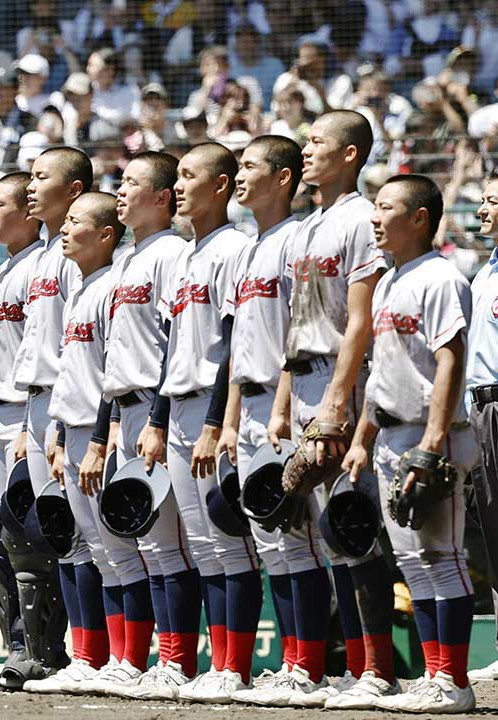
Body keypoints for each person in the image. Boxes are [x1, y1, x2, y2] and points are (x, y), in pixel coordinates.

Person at [263, 111, 398, 708]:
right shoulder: (306, 225)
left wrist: (338, 405)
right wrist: (287, 405)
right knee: (327, 534)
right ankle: (342, 667)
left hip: (348, 382)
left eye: (317, 141)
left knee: (355, 528)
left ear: (349, 154)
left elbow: (361, 321)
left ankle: (378, 672)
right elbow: (298, 326)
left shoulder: (360, 220)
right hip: (308, 379)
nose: (307, 148)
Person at [342, 174, 476, 714]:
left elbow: (452, 359)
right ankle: (435, 676)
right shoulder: (390, 282)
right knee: (415, 565)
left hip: (429, 435)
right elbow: (382, 376)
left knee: (444, 558)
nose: (375, 218)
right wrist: (361, 438)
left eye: (386, 208)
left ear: (419, 217)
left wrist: (434, 440)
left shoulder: (441, 276)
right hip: (391, 435)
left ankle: (454, 682)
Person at [220, 135, 331, 698]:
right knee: (272, 544)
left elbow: (299, 332)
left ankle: (309, 668)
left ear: (283, 178)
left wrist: (282, 408)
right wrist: (232, 421)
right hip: (254, 403)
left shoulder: (296, 240)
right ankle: (293, 664)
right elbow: (241, 345)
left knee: (301, 540)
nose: (239, 175)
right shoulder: (246, 246)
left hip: (286, 404)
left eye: (249, 166)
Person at [33, 191, 153, 695]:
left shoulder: (112, 287)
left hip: (105, 431)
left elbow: (111, 375)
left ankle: (131, 660)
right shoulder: (80, 288)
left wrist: (102, 438)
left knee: (124, 550)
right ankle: (93, 657)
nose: (64, 227)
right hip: (74, 428)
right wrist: (59, 435)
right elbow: (71, 375)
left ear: (106, 234)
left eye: (75, 221)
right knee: (96, 551)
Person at [156, 142, 257, 703]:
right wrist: (160, 417)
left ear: (220, 186)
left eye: (188, 177)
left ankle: (234, 666)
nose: (178, 188)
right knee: (199, 543)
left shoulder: (232, 249)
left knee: (225, 541)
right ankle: (213, 664)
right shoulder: (188, 255)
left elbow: (232, 348)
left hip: (212, 409)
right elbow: (176, 347)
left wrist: (218, 422)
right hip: (178, 406)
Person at [97, 152, 194, 698]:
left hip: (158, 411)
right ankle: (150, 660)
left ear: (161, 197)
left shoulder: (172, 254)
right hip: (124, 410)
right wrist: (111, 424)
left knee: (169, 544)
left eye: (131, 183)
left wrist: (155, 419)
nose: (120, 191)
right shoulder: (126, 260)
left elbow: (173, 343)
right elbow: (120, 352)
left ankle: (176, 662)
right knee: (143, 546)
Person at [6, 147, 92, 691]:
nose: (31, 187)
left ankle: (92, 656)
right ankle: (51, 653)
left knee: (79, 535)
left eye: (43, 178)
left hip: (68, 407)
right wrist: (26, 421)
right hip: (35, 404)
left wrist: (56, 425)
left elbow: (75, 349)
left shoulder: (76, 256)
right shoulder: (40, 256)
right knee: (43, 536)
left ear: (75, 189)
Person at [0, 171, 43, 687]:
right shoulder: (1, 270)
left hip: (24, 412)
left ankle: (45, 650)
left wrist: (23, 422)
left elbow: (37, 355)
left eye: (0, 204)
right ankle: (17, 647)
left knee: (28, 538)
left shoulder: (41, 265)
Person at [467, 175, 498, 684]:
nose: (483, 210)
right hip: (481, 408)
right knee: (494, 531)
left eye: (494, 201)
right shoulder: (484, 271)